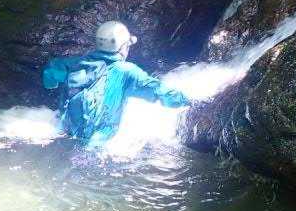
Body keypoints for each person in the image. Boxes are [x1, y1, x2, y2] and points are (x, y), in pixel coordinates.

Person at [42, 21, 190, 148]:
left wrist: (51, 85)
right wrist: (186, 101)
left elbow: (49, 71)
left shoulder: (75, 63)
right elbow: (158, 91)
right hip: (99, 144)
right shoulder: (126, 71)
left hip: (64, 132)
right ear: (123, 47)